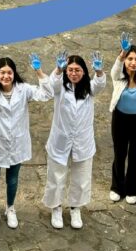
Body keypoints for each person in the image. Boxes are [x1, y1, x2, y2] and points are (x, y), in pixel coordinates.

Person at [0, 54, 51, 231]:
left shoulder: (23, 89)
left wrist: (39, 71)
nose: (6, 76)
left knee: (12, 179)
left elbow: (46, 94)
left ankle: (10, 208)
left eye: (9, 73)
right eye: (2, 72)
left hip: (17, 143)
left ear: (14, 74)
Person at [43, 52, 107, 229]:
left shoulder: (89, 88)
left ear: (84, 72)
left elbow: (100, 84)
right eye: (70, 70)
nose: (73, 73)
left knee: (82, 176)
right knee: (56, 174)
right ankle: (56, 207)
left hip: (83, 141)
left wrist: (99, 71)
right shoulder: (60, 88)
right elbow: (52, 83)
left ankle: (75, 208)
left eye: (77, 70)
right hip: (60, 139)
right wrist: (58, 68)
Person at [108, 39, 136, 204]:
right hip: (120, 120)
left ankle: (131, 189)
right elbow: (114, 69)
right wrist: (122, 53)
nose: (133, 62)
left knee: (135, 157)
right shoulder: (118, 77)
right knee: (120, 155)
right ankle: (116, 187)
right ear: (125, 61)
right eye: (130, 59)